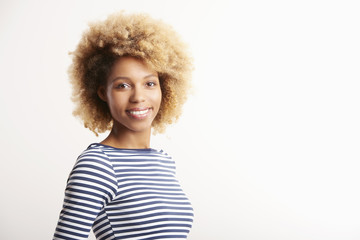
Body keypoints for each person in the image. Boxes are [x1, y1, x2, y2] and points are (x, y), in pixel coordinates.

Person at [53, 11, 194, 240]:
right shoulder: (97, 165)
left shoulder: (164, 162)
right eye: (122, 86)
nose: (138, 97)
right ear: (102, 93)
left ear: (164, 89)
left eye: (149, 83)